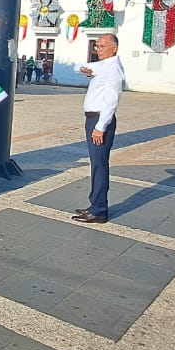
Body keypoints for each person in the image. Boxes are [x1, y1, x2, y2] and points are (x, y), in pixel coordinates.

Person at [73, 33, 124, 224]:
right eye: (97, 47)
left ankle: (100, 210)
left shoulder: (113, 69)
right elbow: (78, 67)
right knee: (96, 164)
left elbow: (111, 101)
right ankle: (95, 203)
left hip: (100, 120)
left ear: (114, 48)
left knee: (100, 165)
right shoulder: (104, 66)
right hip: (93, 118)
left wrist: (100, 127)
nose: (98, 50)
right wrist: (85, 70)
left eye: (102, 47)